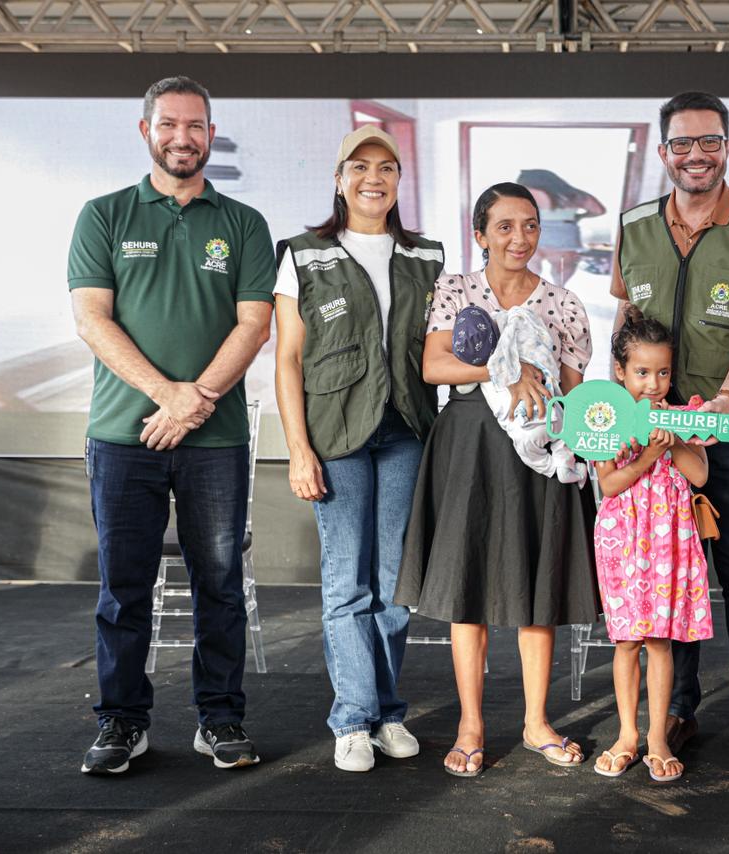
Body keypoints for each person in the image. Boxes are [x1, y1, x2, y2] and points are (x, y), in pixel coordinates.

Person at [69, 76, 274, 774]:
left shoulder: (243, 223)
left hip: (215, 441)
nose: (181, 137)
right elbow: (92, 319)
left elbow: (255, 324)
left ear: (211, 136)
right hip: (122, 436)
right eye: (168, 124)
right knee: (123, 588)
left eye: (195, 126)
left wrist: (198, 400)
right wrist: (167, 396)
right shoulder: (104, 215)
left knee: (219, 584)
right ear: (145, 131)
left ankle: (220, 719)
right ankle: (121, 723)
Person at [612, 91, 729, 765]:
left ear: (727, 147)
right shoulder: (634, 227)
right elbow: (625, 329)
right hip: (656, 440)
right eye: (683, 143)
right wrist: (625, 415)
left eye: (709, 141)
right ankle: (677, 708)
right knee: (669, 572)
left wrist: (725, 398)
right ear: (664, 153)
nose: (697, 154)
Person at [395, 182, 597, 778]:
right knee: (469, 586)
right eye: (505, 226)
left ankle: (536, 723)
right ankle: (471, 726)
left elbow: (571, 392)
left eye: (530, 225)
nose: (519, 238)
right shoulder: (456, 289)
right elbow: (434, 365)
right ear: (480, 234)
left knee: (539, 589)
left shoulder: (564, 303)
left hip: (538, 452)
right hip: (470, 447)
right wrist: (504, 372)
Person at [273, 126, 444, 773]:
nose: (374, 178)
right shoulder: (303, 254)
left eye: (387, 167)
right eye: (360, 166)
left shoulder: (427, 256)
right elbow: (287, 360)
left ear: (399, 180)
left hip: (406, 433)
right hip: (336, 437)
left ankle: (388, 713)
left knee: (395, 586)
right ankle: (352, 719)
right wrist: (299, 450)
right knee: (347, 583)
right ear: (340, 178)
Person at [592, 311, 712, 783]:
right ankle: (627, 736)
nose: (654, 383)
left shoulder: (681, 416)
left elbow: (699, 475)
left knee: (660, 641)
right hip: (622, 539)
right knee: (627, 641)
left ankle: (658, 738)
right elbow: (609, 484)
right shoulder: (605, 420)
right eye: (642, 372)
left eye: (663, 372)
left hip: (668, 542)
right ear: (620, 371)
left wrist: (674, 439)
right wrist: (649, 454)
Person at [449, 303, 586, 483]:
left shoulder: (480, 371)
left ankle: (553, 469)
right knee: (562, 436)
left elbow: (463, 388)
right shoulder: (516, 344)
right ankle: (564, 463)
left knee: (531, 455)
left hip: (525, 432)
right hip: (551, 415)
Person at [517, 169, 606, 288]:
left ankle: (531, 293)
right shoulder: (574, 195)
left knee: (531, 271)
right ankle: (558, 292)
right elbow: (599, 210)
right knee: (560, 278)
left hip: (537, 237)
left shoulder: (528, 193)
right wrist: (579, 216)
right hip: (566, 238)